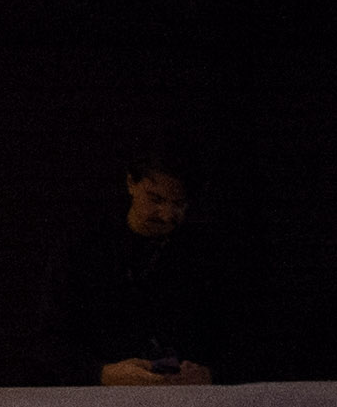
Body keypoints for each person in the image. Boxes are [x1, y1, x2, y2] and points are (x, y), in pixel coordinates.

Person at [47, 146, 233, 385]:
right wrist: (103, 373)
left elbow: (243, 338)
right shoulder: (84, 249)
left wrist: (210, 374)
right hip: (103, 405)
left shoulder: (208, 253)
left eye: (179, 204)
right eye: (156, 199)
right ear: (131, 184)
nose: (167, 215)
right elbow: (51, 340)